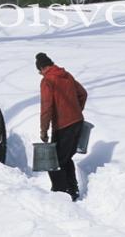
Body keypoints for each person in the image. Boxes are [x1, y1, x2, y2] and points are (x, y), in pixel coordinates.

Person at [37, 52, 87, 201]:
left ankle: (60, 194)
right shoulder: (66, 75)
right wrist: (76, 111)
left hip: (63, 125)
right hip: (77, 122)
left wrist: (43, 130)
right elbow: (83, 94)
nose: (40, 74)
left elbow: (47, 107)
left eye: (39, 72)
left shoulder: (48, 81)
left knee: (54, 161)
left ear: (42, 68)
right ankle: (72, 190)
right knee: (66, 158)